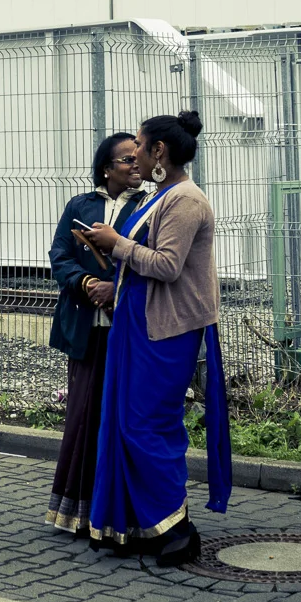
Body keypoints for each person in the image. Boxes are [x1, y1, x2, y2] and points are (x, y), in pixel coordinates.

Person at [80, 111, 230, 565]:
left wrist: (116, 243)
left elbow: (167, 265)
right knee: (125, 423)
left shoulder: (185, 200)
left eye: (140, 148)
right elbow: (142, 262)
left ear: (160, 152)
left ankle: (177, 529)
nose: (135, 156)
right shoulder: (159, 196)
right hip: (140, 322)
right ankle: (137, 524)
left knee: (149, 425)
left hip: (167, 329)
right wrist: (110, 263)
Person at [44, 132, 144, 535]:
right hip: (86, 328)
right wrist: (86, 283)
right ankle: (77, 511)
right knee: (84, 415)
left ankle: (118, 512)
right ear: (106, 168)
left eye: (138, 159)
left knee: (120, 416)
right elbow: (59, 256)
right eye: (126, 160)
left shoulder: (147, 206)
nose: (135, 166)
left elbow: (148, 260)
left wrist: (115, 287)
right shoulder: (80, 206)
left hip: (128, 327)